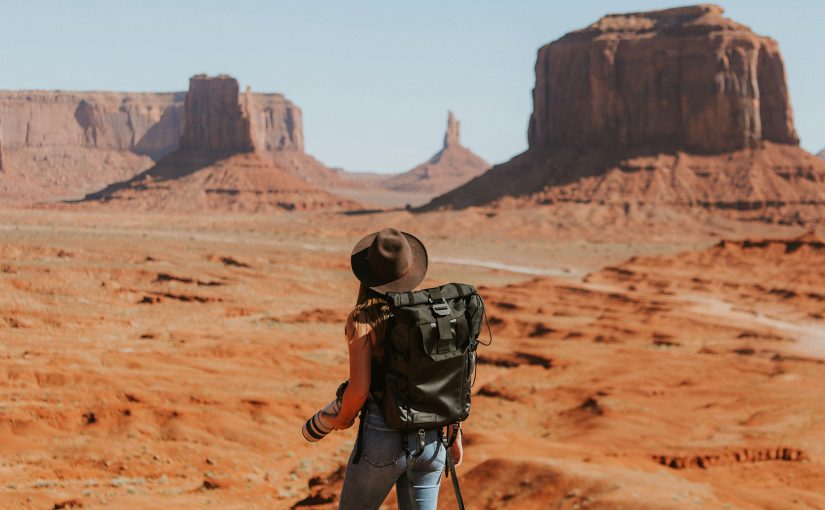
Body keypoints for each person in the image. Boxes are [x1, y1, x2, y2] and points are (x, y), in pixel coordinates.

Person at [333, 227, 463, 510]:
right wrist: (454, 433)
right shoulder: (433, 316)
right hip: (431, 442)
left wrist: (341, 419)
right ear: (410, 271)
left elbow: (359, 390)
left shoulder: (364, 320)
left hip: (382, 440)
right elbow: (447, 380)